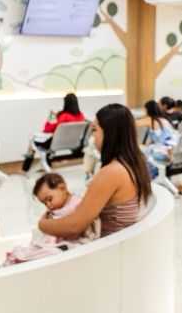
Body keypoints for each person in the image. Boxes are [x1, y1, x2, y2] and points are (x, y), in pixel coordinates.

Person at [38, 104, 150, 242]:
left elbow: (74, 226)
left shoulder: (111, 173)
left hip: (105, 246)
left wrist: (42, 224)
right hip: (121, 241)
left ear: (110, 133)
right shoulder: (136, 161)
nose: (92, 137)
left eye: (94, 130)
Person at [4, 172, 95, 264]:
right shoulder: (54, 210)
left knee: (48, 251)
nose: (48, 205)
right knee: (36, 247)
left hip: (69, 241)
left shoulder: (76, 203)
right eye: (44, 203)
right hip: (52, 240)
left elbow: (76, 225)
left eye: (49, 199)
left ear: (62, 188)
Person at [19, 92, 86, 171]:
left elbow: (47, 129)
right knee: (43, 140)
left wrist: (52, 117)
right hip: (72, 143)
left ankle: (25, 169)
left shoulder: (64, 116)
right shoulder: (81, 116)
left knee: (32, 142)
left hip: (56, 143)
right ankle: (46, 164)